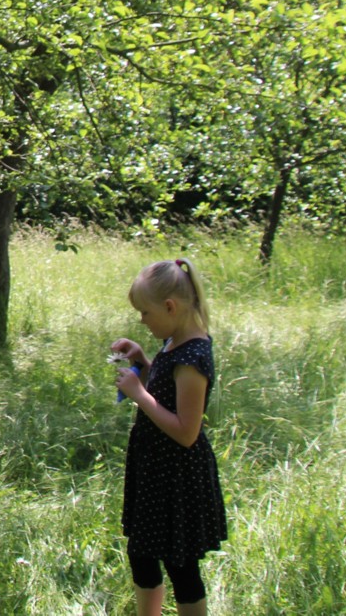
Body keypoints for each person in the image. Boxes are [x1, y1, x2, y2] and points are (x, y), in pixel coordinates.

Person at [110, 258, 228, 616]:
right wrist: (144, 362)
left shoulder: (192, 358)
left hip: (177, 477)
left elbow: (186, 432)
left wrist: (138, 395)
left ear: (170, 307)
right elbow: (165, 389)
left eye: (145, 313)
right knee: (142, 554)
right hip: (154, 470)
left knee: (181, 565)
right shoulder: (175, 341)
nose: (142, 321)